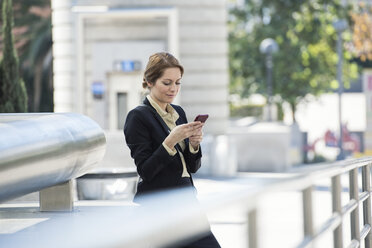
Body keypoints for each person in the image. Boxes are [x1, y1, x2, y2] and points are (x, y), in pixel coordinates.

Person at [124, 52, 221, 248]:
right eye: (167, 82)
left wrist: (193, 144)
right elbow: (145, 170)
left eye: (177, 83)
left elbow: (192, 168)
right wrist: (170, 142)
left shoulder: (179, 113)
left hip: (187, 201)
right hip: (160, 206)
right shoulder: (138, 117)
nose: (173, 89)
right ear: (150, 81)